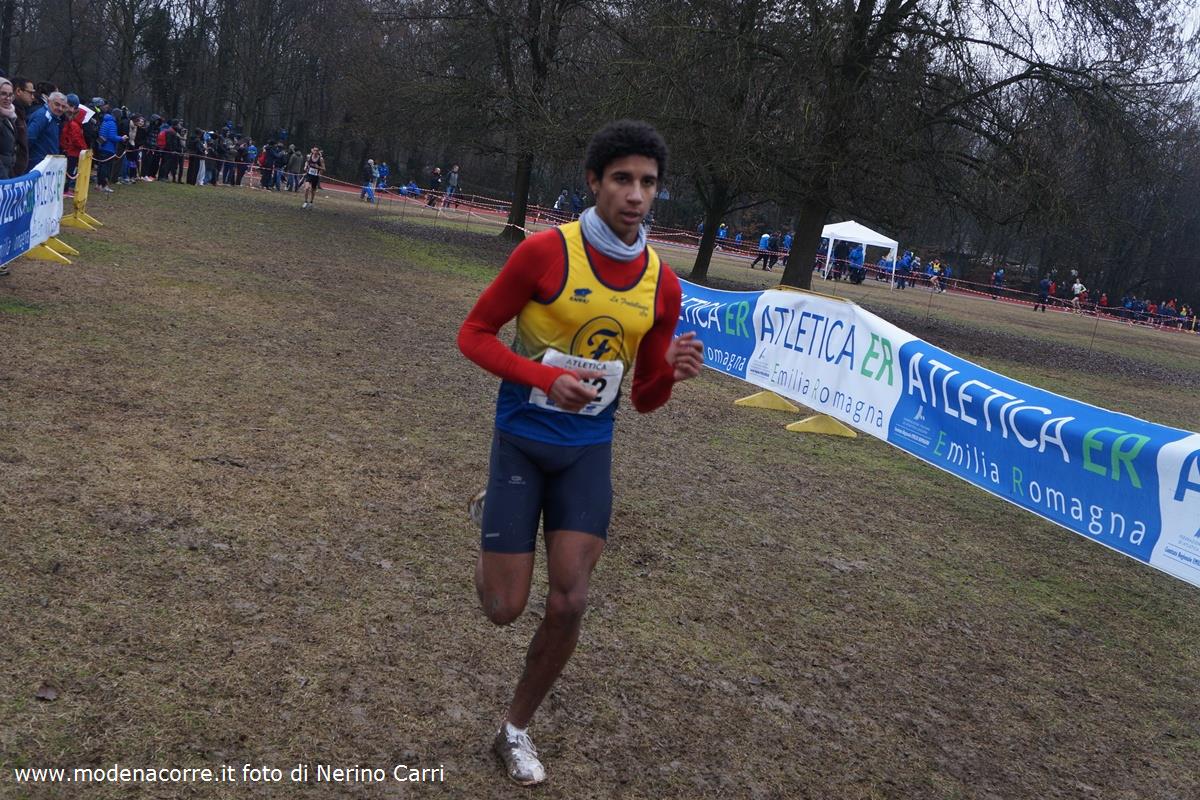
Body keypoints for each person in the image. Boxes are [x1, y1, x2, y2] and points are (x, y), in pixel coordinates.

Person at [457, 120, 703, 786]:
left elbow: (644, 398)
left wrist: (669, 375)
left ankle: (514, 730)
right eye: (622, 179)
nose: (636, 195)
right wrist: (541, 375)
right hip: (522, 443)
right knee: (504, 608)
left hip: (587, 453)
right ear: (594, 182)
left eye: (648, 182)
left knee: (569, 601)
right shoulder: (545, 253)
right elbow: (474, 334)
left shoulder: (662, 284)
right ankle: (494, 513)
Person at [26, 91, 67, 171]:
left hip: (47, 165)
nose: (60, 108)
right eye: (57, 104)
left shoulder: (54, 118)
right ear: (48, 102)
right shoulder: (42, 115)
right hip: (37, 165)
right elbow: (29, 137)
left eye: (63, 106)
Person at [59, 94, 87, 192]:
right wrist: (84, 147)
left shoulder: (73, 123)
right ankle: (65, 189)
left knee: (70, 171)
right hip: (72, 151)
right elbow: (76, 139)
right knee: (69, 171)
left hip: (71, 151)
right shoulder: (74, 124)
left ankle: (65, 188)